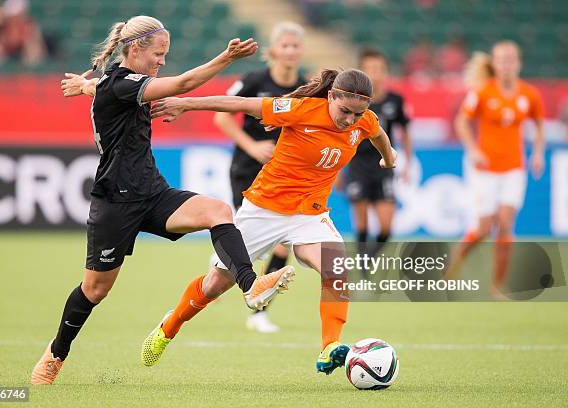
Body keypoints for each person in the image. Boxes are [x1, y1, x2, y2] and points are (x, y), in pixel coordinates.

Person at [30, 15, 295, 385]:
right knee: (95, 290)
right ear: (135, 49)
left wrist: (84, 85)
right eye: (158, 53)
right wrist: (226, 58)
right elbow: (183, 83)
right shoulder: (121, 85)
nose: (162, 61)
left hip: (153, 193)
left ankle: (251, 286)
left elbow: (105, 88)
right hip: (114, 204)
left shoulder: (116, 83)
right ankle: (56, 353)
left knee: (218, 210)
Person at [147, 68, 397, 375]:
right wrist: (187, 104)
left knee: (336, 268)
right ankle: (168, 327)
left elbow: (378, 135)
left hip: (310, 213)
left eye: (357, 114)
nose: (349, 120)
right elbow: (240, 105)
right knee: (214, 285)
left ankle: (329, 346)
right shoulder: (300, 110)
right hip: (263, 210)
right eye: (344, 111)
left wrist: (389, 156)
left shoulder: (365, 120)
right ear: (331, 97)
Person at [213, 21, 307, 333]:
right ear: (273, 51)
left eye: (296, 46)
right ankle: (220, 273)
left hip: (284, 178)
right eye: (286, 45)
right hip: (247, 170)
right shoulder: (254, 80)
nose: (291, 51)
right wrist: (251, 145)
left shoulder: (306, 88)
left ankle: (258, 312)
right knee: (246, 240)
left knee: (281, 246)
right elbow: (221, 115)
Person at [446, 41, 545, 298]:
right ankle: (450, 270)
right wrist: (473, 149)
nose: (507, 64)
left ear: (519, 63)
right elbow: (462, 122)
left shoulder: (529, 94)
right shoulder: (482, 92)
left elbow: (539, 125)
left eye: (511, 59)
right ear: (495, 64)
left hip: (514, 169)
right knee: (482, 229)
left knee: (504, 224)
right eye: (501, 59)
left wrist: (538, 153)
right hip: (485, 170)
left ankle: (497, 286)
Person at [342, 48, 411, 259]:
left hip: (384, 165)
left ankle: (369, 259)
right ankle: (362, 271)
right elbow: (341, 135)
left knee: (386, 228)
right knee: (361, 225)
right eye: (370, 69)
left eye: (380, 69)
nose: (375, 73)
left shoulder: (395, 101)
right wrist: (338, 170)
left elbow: (405, 131)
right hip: (357, 166)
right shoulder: (351, 102)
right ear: (361, 73)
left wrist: (407, 161)